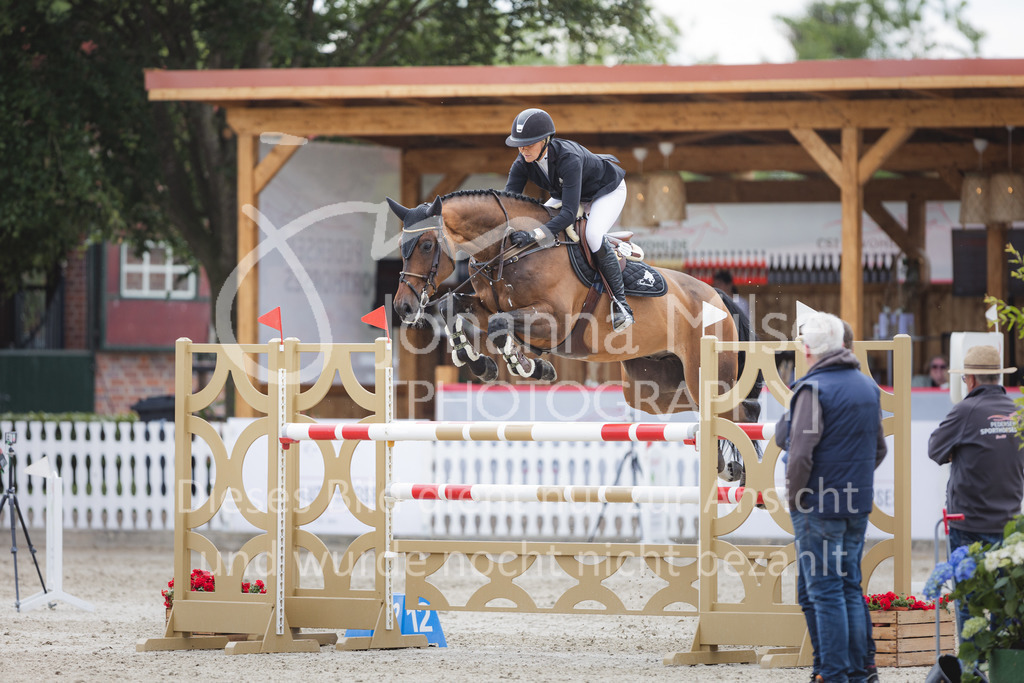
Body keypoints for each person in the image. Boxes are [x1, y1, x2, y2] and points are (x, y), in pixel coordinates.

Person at [780, 312, 886, 683]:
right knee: (847, 586)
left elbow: (801, 453)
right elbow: (879, 451)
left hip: (818, 506)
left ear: (809, 350)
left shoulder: (812, 389)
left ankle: (834, 671)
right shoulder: (867, 387)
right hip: (856, 504)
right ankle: (860, 670)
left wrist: (795, 498)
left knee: (822, 592)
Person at [502, 108, 633, 332]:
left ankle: (621, 305)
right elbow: (507, 203)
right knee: (540, 216)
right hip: (573, 195)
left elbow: (568, 215)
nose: (523, 149)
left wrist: (533, 235)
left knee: (592, 235)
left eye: (529, 143)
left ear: (545, 140)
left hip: (606, 192)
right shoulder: (523, 161)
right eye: (519, 144)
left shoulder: (568, 158)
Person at [927, 344, 1024, 638]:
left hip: (966, 521)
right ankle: (1001, 667)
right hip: (1008, 522)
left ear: (970, 380)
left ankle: (973, 667)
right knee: (1004, 600)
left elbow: (934, 449)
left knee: (969, 599)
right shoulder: (1017, 412)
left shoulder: (965, 411)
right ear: (998, 377)